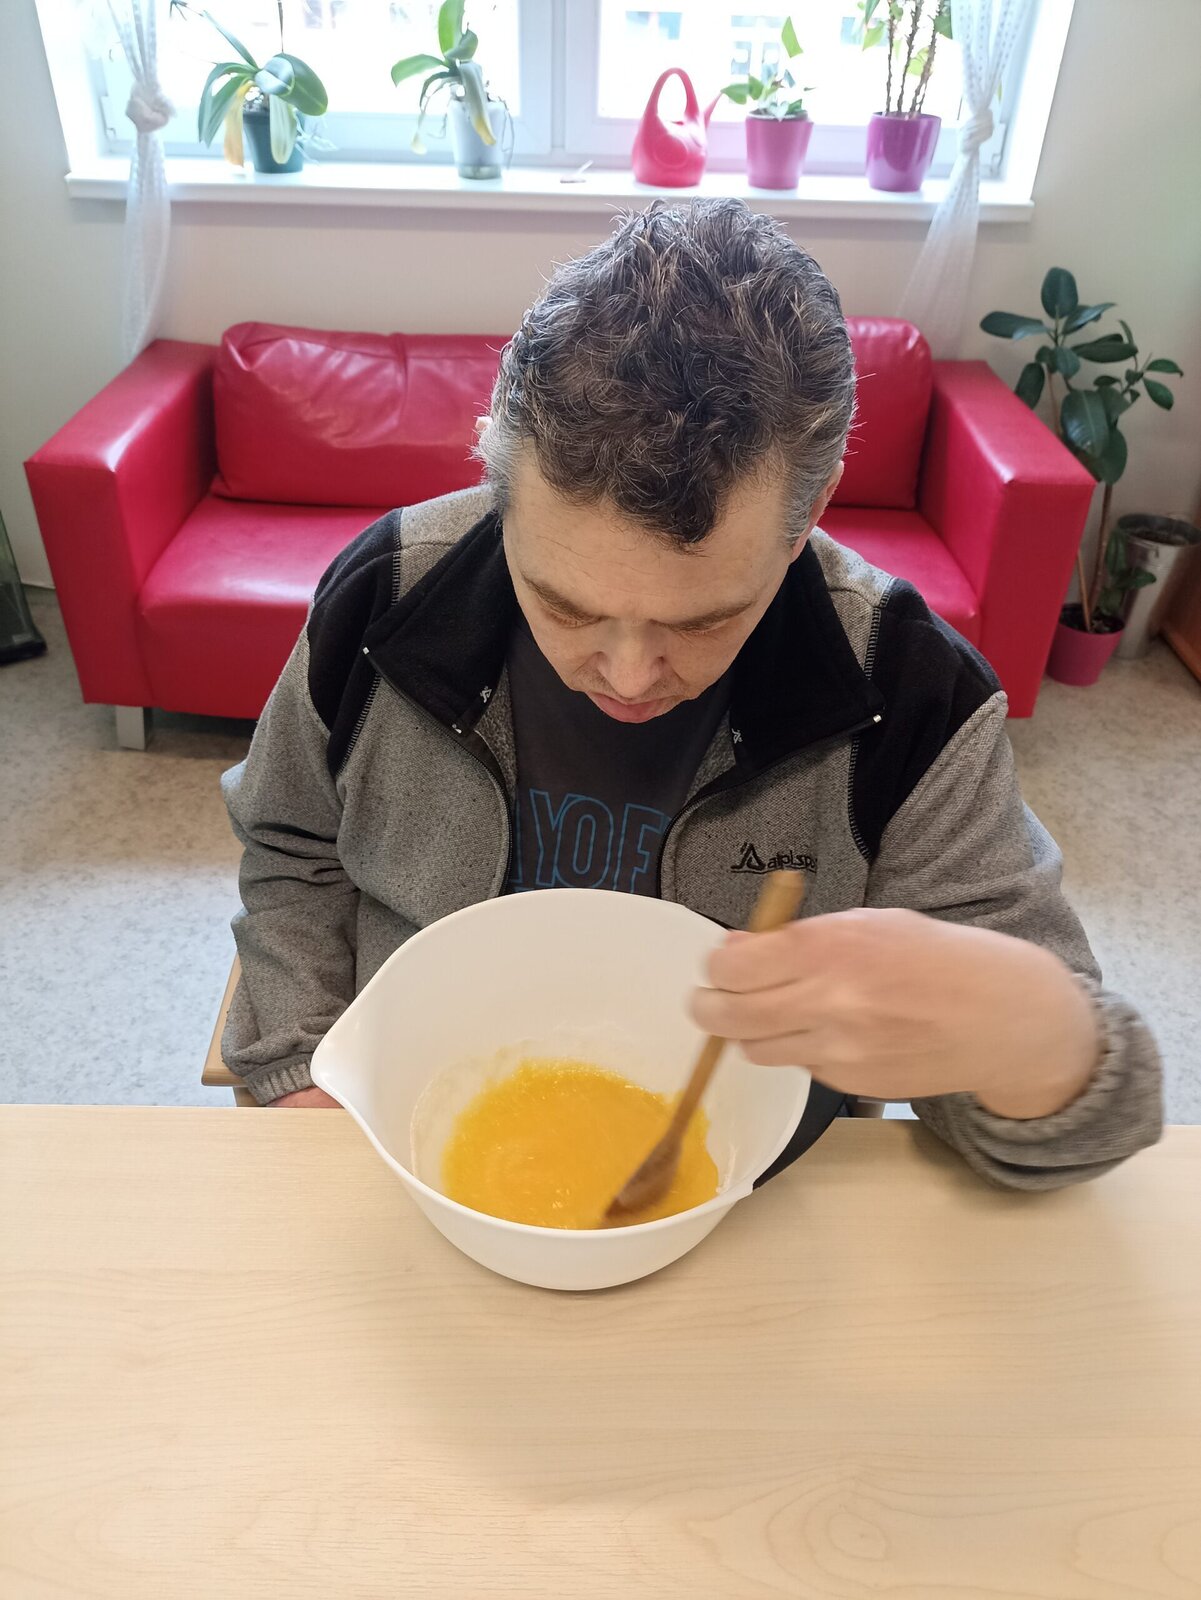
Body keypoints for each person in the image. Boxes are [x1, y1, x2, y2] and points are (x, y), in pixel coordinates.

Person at [222, 198, 1162, 1189]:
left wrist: (1033, 1036)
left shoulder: (908, 694)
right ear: (497, 482)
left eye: (705, 620)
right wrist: (297, 1063)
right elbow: (290, 844)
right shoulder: (384, 598)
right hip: (409, 1149)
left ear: (808, 516)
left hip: (766, 1192)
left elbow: (1091, 1125)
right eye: (564, 605)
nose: (628, 677)